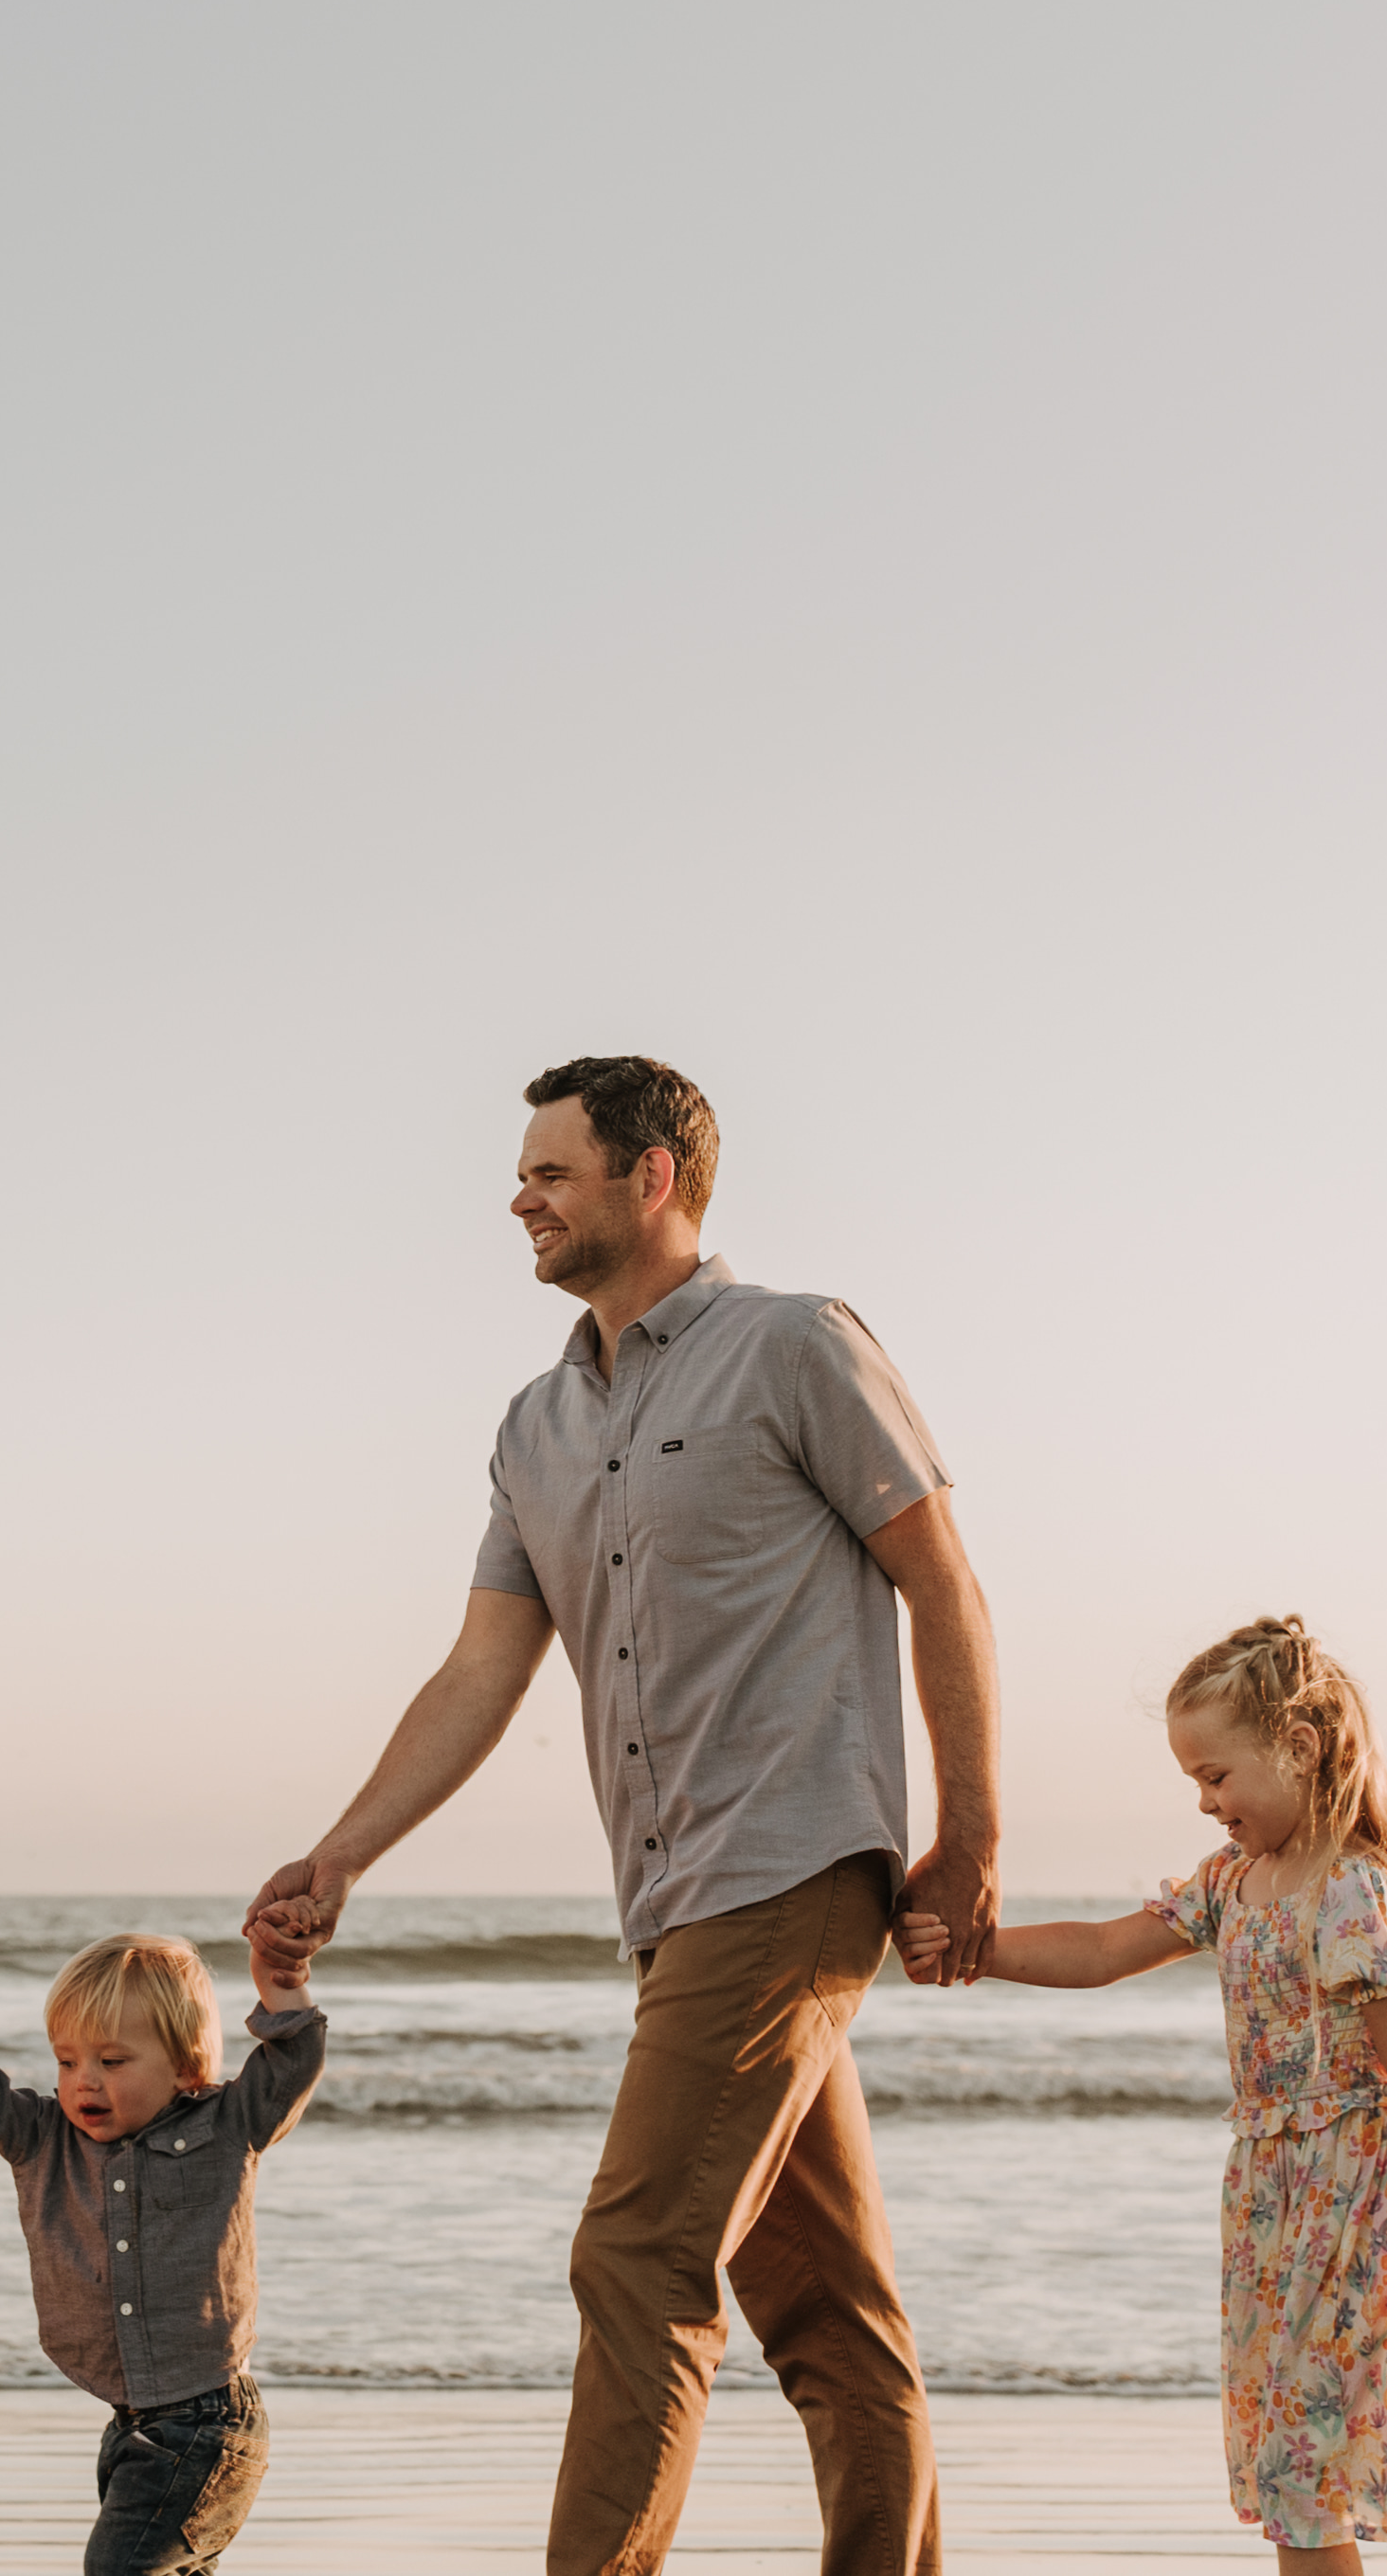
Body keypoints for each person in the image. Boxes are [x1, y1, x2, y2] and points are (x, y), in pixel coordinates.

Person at [246, 1054, 1001, 2576]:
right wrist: (339, 1853)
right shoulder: (534, 1424)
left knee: (637, 2254)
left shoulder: (795, 1344)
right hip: (671, 1903)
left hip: (790, 1865)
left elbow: (942, 1576)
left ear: (651, 1177)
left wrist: (970, 1830)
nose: (519, 1196)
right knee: (827, 2302)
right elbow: (479, 1669)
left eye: (550, 1169)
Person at [902, 1620, 1387, 2576]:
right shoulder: (1231, 1883)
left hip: (1372, 2209)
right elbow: (1099, 1949)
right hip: (1277, 2209)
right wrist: (972, 1951)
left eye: (1216, 1775)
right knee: (1300, 2472)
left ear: (1295, 1749)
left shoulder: (1356, 1891)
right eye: (1194, 1783)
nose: (1207, 1802)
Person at [0, 1927, 330, 2576]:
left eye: (112, 2061)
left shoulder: (228, 2125)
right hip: (132, 2427)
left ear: (186, 2065)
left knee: (118, 2568)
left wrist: (281, 1984)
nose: (83, 2081)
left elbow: (293, 2061)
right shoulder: (42, 2140)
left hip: (207, 2422)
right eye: (67, 2061)